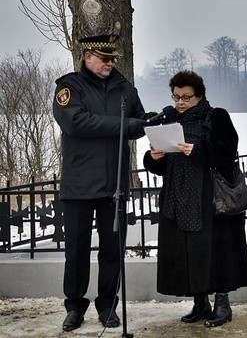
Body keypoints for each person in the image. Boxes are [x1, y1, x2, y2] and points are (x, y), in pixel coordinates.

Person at [53, 34, 147, 332]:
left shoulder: (125, 89)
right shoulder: (69, 87)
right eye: (104, 59)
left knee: (111, 250)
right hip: (79, 185)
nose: (109, 64)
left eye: (112, 59)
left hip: (114, 185)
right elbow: (75, 122)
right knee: (76, 251)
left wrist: (146, 124)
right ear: (88, 56)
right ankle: (74, 306)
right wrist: (124, 125)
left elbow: (139, 122)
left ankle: (107, 305)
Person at [143, 70, 247, 327]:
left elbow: (228, 150)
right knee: (188, 252)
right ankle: (200, 303)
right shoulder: (169, 120)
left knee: (216, 250)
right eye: (176, 97)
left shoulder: (216, 116)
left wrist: (199, 150)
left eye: (186, 98)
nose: (180, 102)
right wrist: (153, 158)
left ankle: (222, 304)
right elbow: (161, 162)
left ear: (200, 96)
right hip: (178, 196)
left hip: (209, 198)